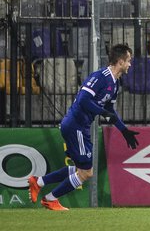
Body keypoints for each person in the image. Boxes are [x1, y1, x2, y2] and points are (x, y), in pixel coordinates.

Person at [28, 44, 140, 211]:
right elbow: (83, 100)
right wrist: (102, 112)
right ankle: (50, 199)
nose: (130, 64)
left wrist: (123, 130)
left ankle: (38, 182)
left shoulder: (115, 84)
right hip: (75, 126)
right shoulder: (100, 77)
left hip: (82, 127)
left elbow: (109, 111)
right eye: (129, 61)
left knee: (83, 170)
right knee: (86, 173)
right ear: (120, 61)